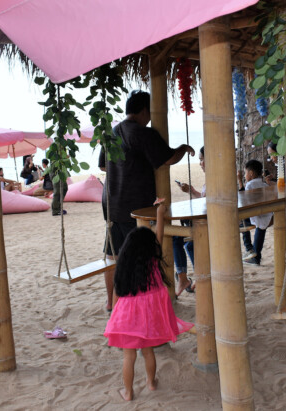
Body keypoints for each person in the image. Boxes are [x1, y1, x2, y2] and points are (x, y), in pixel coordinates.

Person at [99, 90, 195, 311]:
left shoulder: (112, 132)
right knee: (142, 255)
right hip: (136, 207)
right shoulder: (143, 133)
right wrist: (183, 148)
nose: (150, 117)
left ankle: (110, 302)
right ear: (144, 110)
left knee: (112, 255)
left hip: (112, 203)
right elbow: (167, 158)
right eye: (149, 113)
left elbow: (104, 166)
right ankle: (142, 302)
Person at [103, 203, 193, 401]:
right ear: (150, 248)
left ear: (127, 248)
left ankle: (128, 392)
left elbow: (117, 297)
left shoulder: (124, 268)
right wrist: (160, 213)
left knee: (129, 357)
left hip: (127, 320)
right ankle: (151, 383)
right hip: (148, 320)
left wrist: (115, 318)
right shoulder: (152, 261)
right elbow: (159, 235)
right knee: (148, 352)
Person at [172, 146, 206, 296]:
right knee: (188, 243)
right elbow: (205, 200)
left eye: (202, 159)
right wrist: (192, 191)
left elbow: (207, 203)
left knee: (176, 238)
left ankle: (184, 277)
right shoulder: (212, 179)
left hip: (207, 225)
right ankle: (193, 276)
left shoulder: (215, 179)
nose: (200, 163)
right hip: (205, 222)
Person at [240, 160, 273, 266]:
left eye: (245, 173)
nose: (245, 175)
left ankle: (249, 248)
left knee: (241, 222)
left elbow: (244, 201)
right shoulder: (264, 184)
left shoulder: (249, 185)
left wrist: (241, 183)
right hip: (267, 215)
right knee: (261, 229)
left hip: (256, 215)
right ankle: (256, 257)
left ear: (251, 173)